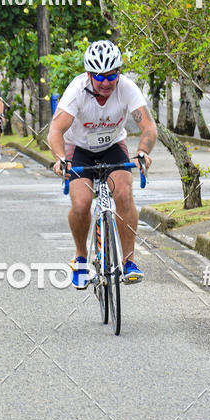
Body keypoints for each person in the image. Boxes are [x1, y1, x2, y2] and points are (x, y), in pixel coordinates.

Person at [49, 40, 157, 287]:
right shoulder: (76, 90)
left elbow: (148, 126)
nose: (107, 82)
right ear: (89, 74)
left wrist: (142, 152)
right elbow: (55, 130)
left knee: (124, 193)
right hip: (79, 149)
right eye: (100, 76)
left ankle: (128, 261)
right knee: (82, 203)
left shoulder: (127, 88)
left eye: (112, 75)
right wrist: (60, 159)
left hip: (112, 147)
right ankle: (81, 259)